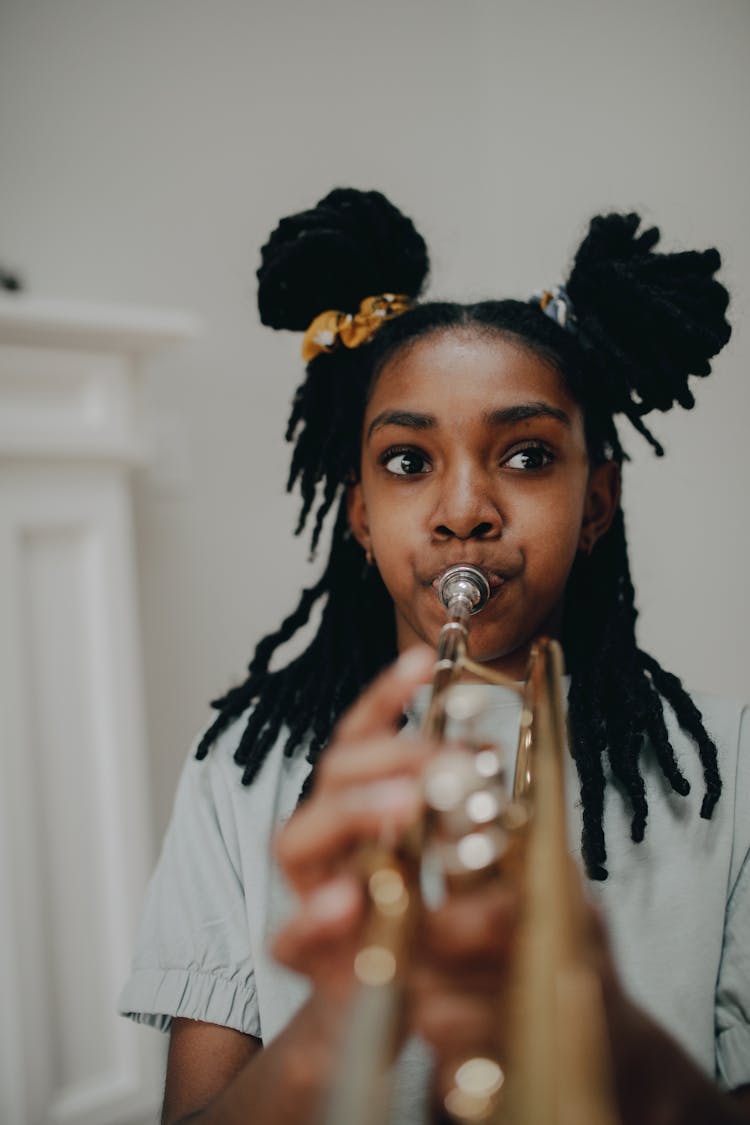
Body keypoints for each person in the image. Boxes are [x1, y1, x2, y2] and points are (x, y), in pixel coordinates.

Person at [119, 188, 749, 1124]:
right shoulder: (237, 766)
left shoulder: (730, 760)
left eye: (528, 455)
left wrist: (607, 1033)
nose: (464, 509)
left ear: (598, 503)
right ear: (362, 515)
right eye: (409, 462)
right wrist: (338, 1015)